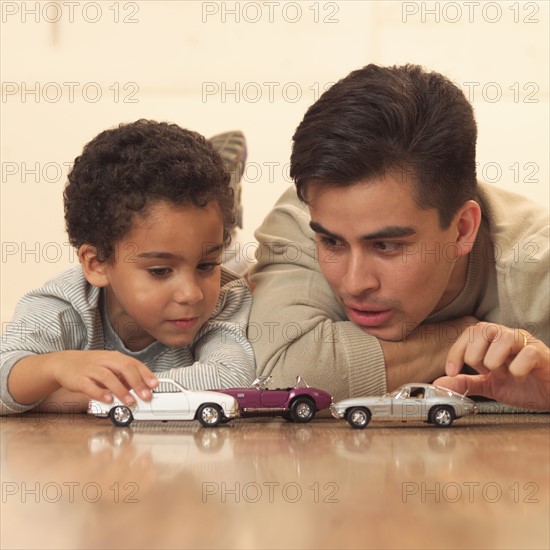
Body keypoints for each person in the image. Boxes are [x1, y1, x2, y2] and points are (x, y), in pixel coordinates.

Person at [249, 64, 549, 410]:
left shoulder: (537, 266)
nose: (355, 283)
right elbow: (287, 374)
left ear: (462, 228)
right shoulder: (305, 217)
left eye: (386, 246)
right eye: (332, 243)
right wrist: (458, 334)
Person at [0, 120, 255, 415]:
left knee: (244, 269)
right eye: (160, 270)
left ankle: (229, 236)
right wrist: (54, 367)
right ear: (97, 264)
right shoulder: (61, 305)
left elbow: (231, 380)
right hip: (101, 458)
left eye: (207, 264)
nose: (191, 294)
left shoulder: (225, 297)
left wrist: (76, 396)